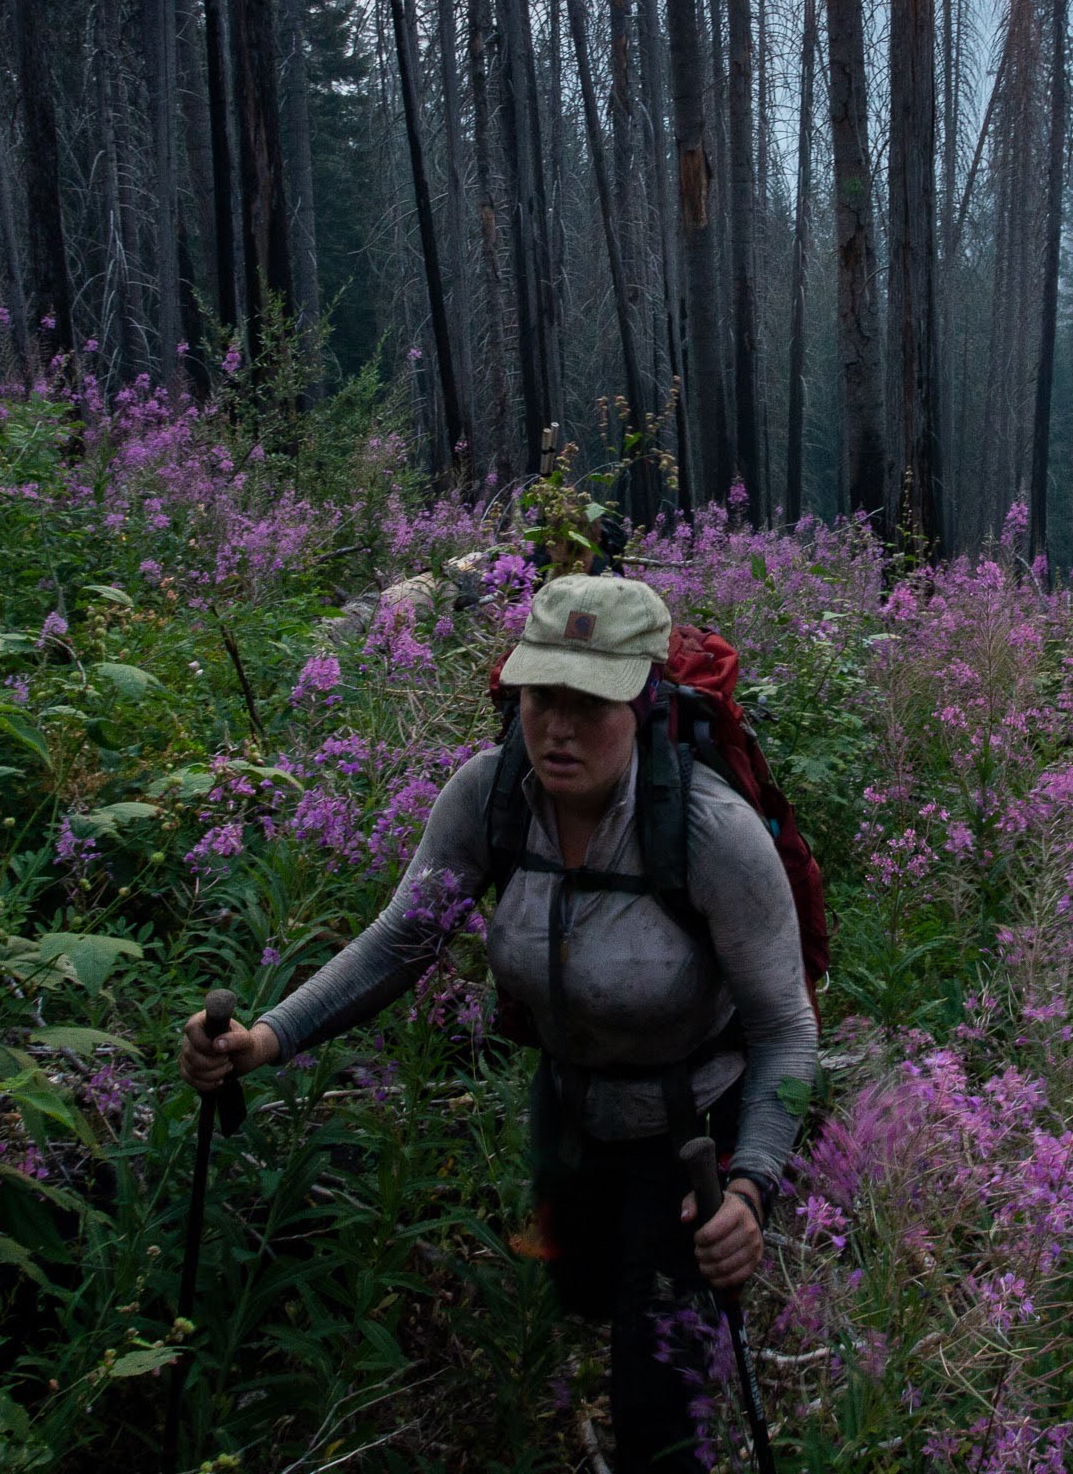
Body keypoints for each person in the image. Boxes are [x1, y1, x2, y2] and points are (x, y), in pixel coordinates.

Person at [180, 574, 817, 1472]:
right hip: (569, 1115)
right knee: (588, 1296)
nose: (558, 727)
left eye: (586, 702)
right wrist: (266, 1038)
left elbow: (786, 1030)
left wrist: (750, 1190)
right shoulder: (492, 796)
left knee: (659, 1414)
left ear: (639, 697)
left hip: (692, 1144)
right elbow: (401, 941)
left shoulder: (712, 834)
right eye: (538, 696)